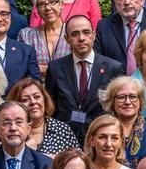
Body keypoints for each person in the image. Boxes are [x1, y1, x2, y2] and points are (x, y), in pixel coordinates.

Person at [45, 14, 126, 142]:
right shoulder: (56, 68)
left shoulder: (113, 68)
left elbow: (117, 108)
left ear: (93, 35)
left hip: (101, 138)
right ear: (67, 39)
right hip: (64, 137)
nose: (81, 38)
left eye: (86, 32)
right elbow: (50, 107)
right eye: (75, 34)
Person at [103, 76, 146, 168]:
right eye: (121, 97)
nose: (127, 102)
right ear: (112, 101)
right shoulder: (102, 130)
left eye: (133, 97)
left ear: (141, 101)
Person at [5, 78, 80, 156]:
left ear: (45, 99)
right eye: (25, 99)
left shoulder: (62, 129)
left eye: (37, 97)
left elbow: (79, 161)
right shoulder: (9, 130)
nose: (33, 102)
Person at [18, 0, 72, 76]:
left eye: (52, 2)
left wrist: (43, 68)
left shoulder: (73, 33)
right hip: (36, 89)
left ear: (61, 5)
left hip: (67, 90)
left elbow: (78, 66)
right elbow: (21, 68)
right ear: (37, 9)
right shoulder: (26, 35)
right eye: (42, 4)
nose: (47, 8)